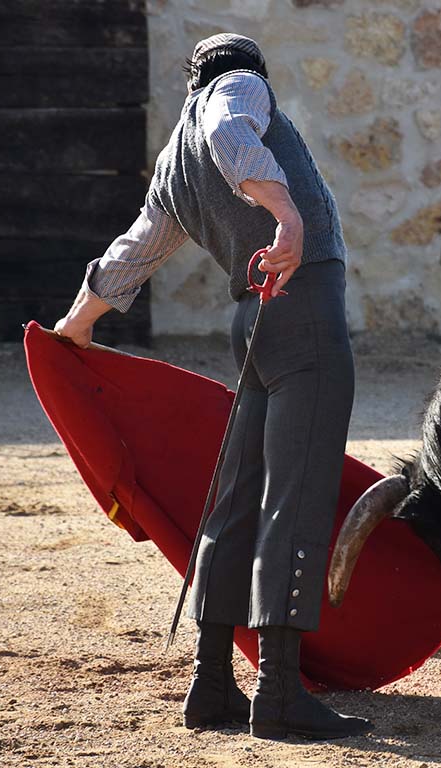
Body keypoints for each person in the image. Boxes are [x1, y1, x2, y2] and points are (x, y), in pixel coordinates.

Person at [53, 33, 370, 741]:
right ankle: (281, 693)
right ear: (248, 71)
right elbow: (233, 130)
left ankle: (212, 684)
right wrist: (287, 216)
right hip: (304, 310)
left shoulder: (173, 160)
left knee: (236, 497)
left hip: (252, 321)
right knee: (294, 496)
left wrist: (75, 327)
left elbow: (135, 250)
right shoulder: (240, 92)